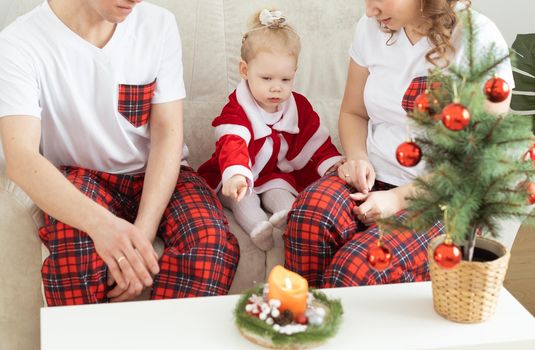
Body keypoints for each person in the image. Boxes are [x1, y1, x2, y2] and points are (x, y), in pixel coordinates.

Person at [0, 0, 239, 306]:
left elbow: (167, 136)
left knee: (211, 243)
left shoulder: (159, 24)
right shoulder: (19, 44)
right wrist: (102, 226)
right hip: (80, 177)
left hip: (159, 172)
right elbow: (22, 160)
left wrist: (140, 237)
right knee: (77, 252)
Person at [284, 0, 514, 288]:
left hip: (441, 201)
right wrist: (358, 158)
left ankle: (345, 329)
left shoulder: (478, 38)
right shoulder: (371, 28)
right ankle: (305, 324)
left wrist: (397, 199)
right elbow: (353, 112)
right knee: (309, 216)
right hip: (373, 179)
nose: (370, 10)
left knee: (357, 268)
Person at [198, 9, 343, 251]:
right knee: (244, 198)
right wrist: (235, 174)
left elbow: (315, 142)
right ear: (245, 71)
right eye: (266, 79)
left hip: (272, 175)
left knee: (282, 191)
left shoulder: (298, 107)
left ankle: (289, 218)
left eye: (285, 80)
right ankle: (258, 227)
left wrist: (332, 164)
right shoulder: (237, 109)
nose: (276, 88)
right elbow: (232, 142)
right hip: (235, 178)